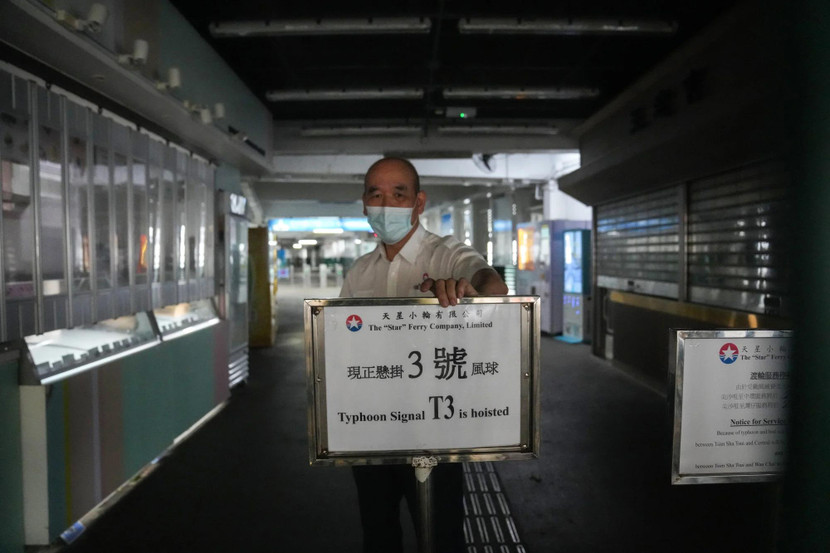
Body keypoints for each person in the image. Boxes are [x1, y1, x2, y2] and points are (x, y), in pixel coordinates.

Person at [340, 157, 508, 553]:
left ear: (419, 202)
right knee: (378, 534)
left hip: (434, 430)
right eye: (375, 194)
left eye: (398, 194)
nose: (386, 204)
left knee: (441, 535)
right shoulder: (360, 272)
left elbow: (491, 285)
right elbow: (341, 347)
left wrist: (466, 285)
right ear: (364, 204)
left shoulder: (446, 254)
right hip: (372, 429)